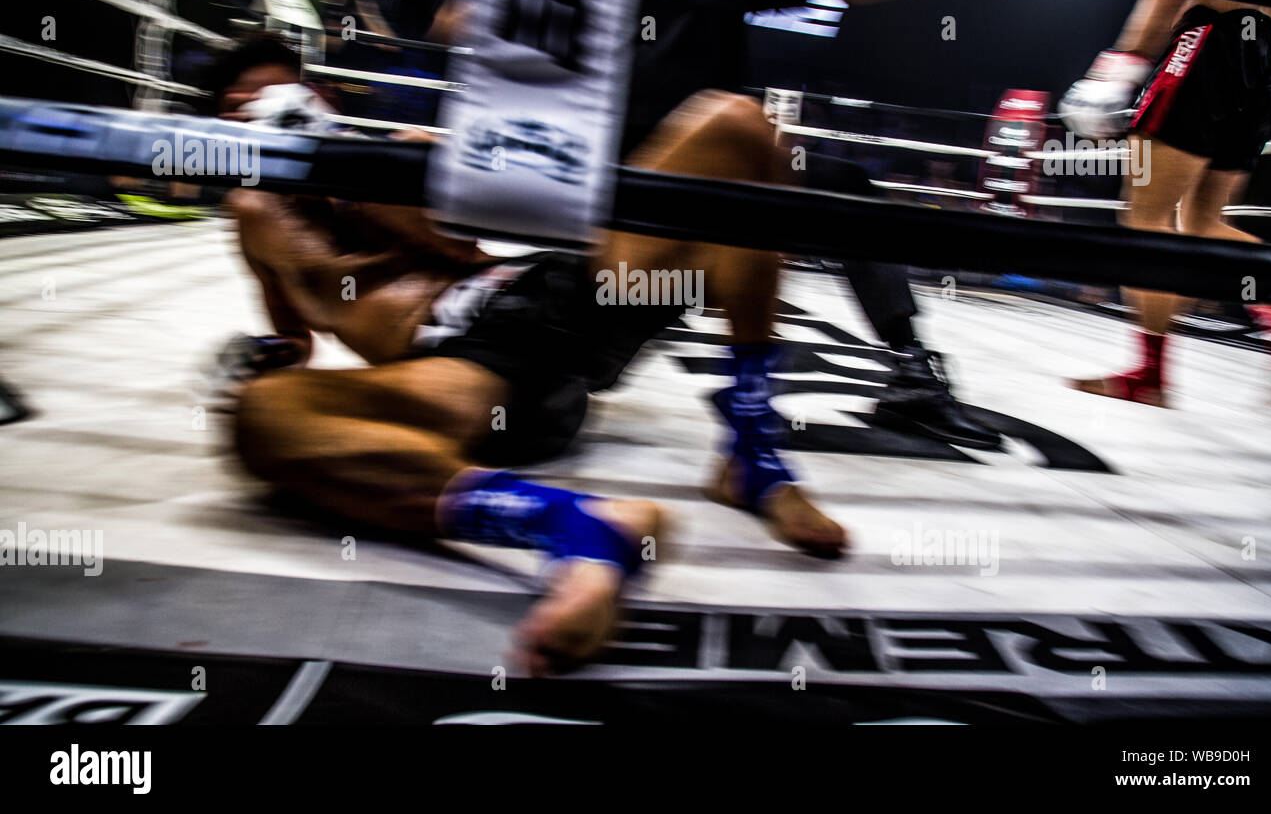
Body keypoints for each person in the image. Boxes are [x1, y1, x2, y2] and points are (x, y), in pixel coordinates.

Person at [213, 35, 847, 676]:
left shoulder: (391, 162)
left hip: (552, 297)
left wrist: (356, 173)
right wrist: (263, 354)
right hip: (467, 376)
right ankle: (576, 527)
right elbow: (294, 340)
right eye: (244, 105)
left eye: (283, 93)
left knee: (732, 124)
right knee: (259, 414)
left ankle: (752, 452)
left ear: (316, 98)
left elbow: (463, 244)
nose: (266, 109)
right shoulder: (253, 221)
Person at [628, 0, 1002, 449]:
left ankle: (913, 374)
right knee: (562, 378)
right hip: (605, 183)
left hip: (714, 174)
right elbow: (459, 19)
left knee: (849, 191)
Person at [1060, 0, 1271, 406]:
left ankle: (1149, 375)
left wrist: (1118, 65)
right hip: (1266, 51)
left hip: (1211, 41)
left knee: (1145, 214)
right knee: (1204, 222)